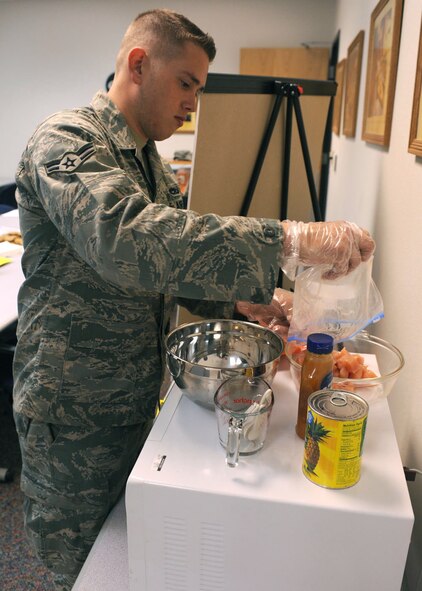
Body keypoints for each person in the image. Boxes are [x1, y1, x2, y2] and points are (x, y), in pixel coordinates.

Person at [13, 9, 375, 590]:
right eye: (187, 83)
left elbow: (170, 267)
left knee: (134, 552)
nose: (194, 104)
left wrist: (244, 304)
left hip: (134, 393)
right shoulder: (67, 139)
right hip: (72, 408)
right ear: (138, 64)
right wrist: (285, 239)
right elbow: (124, 239)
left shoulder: (151, 164)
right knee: (78, 568)